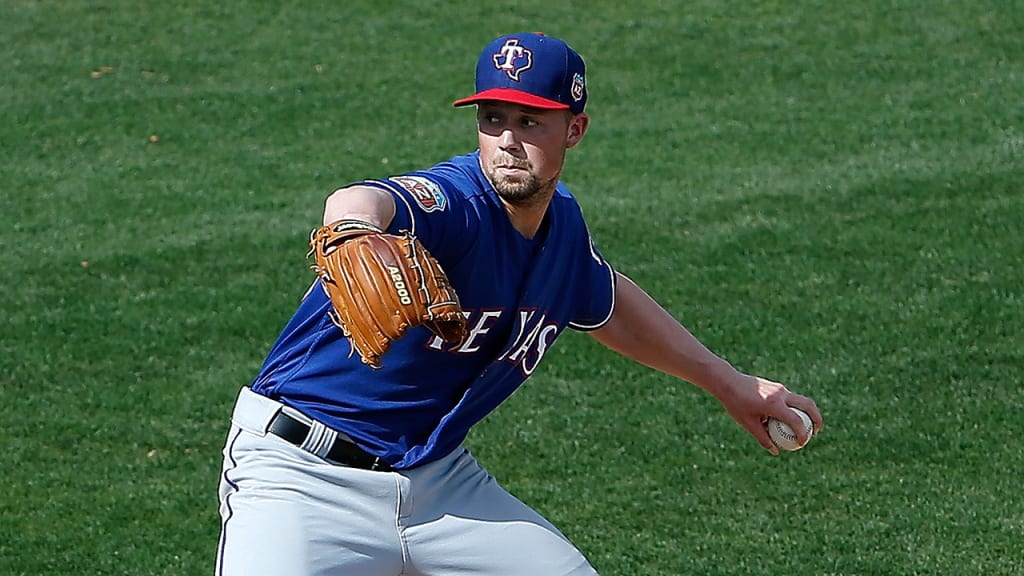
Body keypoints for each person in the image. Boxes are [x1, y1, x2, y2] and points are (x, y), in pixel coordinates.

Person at [215, 32, 822, 576]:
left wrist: (728, 383)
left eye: (531, 122)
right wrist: (354, 231)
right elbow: (362, 199)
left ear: (574, 130)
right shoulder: (454, 204)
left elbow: (607, 301)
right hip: (300, 478)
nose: (508, 141)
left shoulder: (562, 231)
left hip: (437, 485)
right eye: (493, 118)